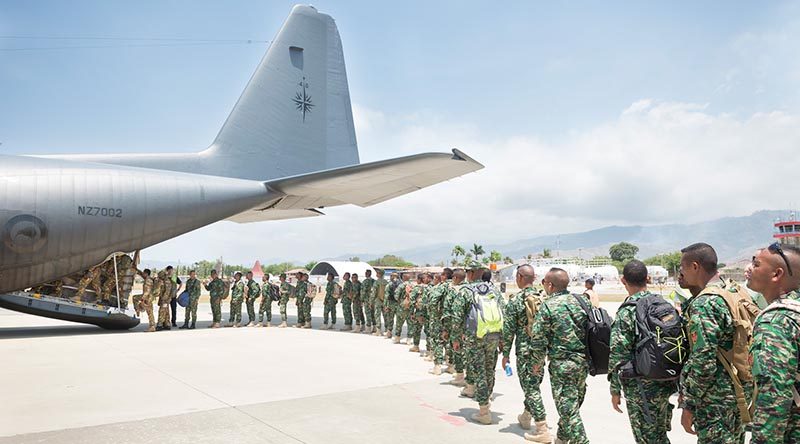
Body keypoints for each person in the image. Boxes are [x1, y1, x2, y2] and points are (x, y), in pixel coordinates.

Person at [678, 243, 748, 443]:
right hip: (736, 393)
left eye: (682, 267)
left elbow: (703, 362)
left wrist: (689, 405)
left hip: (714, 401)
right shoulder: (731, 291)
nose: (680, 272)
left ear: (694, 267)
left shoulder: (705, 304)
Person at [609, 260, 676, 443]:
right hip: (666, 380)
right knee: (660, 435)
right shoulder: (662, 304)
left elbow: (618, 354)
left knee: (647, 438)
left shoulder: (627, 311)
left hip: (640, 386)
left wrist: (615, 389)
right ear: (648, 278)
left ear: (623, 281)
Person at [528, 268, 590, 444]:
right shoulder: (581, 301)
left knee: (568, 411)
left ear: (550, 284)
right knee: (571, 406)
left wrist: (536, 363)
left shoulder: (548, 305)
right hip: (582, 363)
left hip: (562, 366)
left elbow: (539, 339)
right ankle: (561, 439)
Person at [747, 243, 800, 443]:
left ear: (776, 275)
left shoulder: (777, 320)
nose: (749, 268)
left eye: (757, 264)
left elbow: (775, 393)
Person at [501, 265, 551, 438]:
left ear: (520, 277)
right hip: (541, 351)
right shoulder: (543, 298)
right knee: (534, 385)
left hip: (525, 352)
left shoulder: (515, 301)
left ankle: (542, 428)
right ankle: (526, 416)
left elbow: (508, 331)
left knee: (530, 389)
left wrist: (505, 354)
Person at [462, 266, 505, 425]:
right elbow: (504, 313)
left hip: (476, 336)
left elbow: (457, 314)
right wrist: (503, 340)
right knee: (489, 369)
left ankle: (484, 411)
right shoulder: (495, 291)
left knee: (479, 371)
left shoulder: (466, 291)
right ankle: (487, 397)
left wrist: (456, 337)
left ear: (472, 273)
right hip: (493, 335)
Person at [443, 269, 467, 385]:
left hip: (458, 327)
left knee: (458, 351)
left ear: (455, 278)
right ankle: (470, 379)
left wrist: (446, 330)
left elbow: (448, 313)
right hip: (473, 328)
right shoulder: (471, 289)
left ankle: (460, 376)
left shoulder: (454, 291)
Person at [426, 268, 451, 374]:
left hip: (440, 318)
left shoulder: (442, 286)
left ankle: (437, 367)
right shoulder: (458, 287)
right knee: (450, 341)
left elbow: (433, 300)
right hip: (454, 320)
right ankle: (451, 365)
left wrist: (434, 314)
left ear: (445, 275)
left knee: (438, 341)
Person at [408, 274, 426, 353]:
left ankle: (416, 346)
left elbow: (412, 302)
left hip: (419, 312)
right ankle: (429, 350)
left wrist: (412, 313)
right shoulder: (430, 287)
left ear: (419, 280)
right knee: (428, 331)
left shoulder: (416, 288)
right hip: (428, 313)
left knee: (417, 330)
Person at [392, 273, 412, 344]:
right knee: (410, 324)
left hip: (401, 307)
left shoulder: (401, 286)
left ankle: (397, 338)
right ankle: (409, 339)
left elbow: (396, 296)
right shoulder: (413, 285)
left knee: (399, 323)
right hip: (410, 308)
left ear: (403, 278)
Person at [371, 269, 388, 336]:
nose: (376, 274)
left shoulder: (376, 282)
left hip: (378, 300)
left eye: (377, 273)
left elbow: (373, 293)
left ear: (379, 274)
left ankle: (378, 331)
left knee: (377, 315)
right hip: (385, 301)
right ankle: (387, 330)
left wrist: (371, 301)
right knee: (385, 316)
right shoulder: (386, 282)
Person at [384, 272, 400, 338]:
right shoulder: (401, 284)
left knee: (390, 318)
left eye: (391, 276)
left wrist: (385, 305)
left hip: (391, 303)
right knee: (399, 320)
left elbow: (386, 296)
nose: (390, 277)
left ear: (393, 276)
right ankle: (397, 335)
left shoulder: (389, 284)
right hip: (399, 304)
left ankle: (389, 333)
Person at [361, 269, 375, 334]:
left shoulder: (365, 281)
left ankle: (368, 328)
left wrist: (361, 299)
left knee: (368, 313)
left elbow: (363, 292)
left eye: (366, 273)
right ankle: (374, 327)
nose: (365, 274)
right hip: (373, 300)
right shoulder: (374, 281)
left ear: (367, 274)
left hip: (367, 300)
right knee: (373, 313)